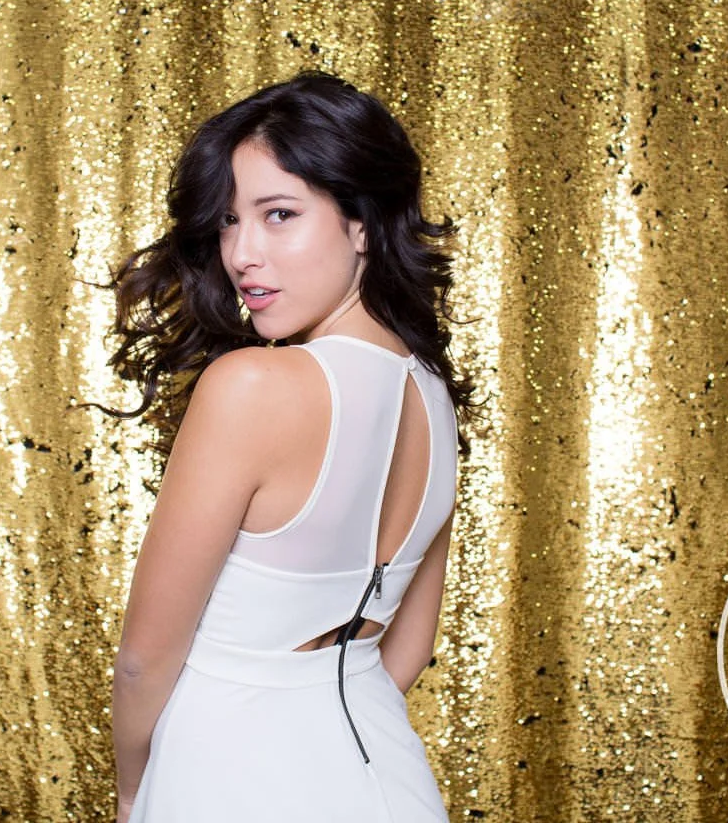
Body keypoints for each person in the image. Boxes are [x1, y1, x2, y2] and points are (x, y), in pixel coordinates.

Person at [102, 71, 472, 822]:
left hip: (224, 770)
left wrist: (135, 789)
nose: (242, 253)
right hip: (383, 770)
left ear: (363, 223)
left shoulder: (252, 386)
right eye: (228, 221)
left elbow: (144, 660)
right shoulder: (433, 393)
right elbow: (409, 646)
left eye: (279, 215)